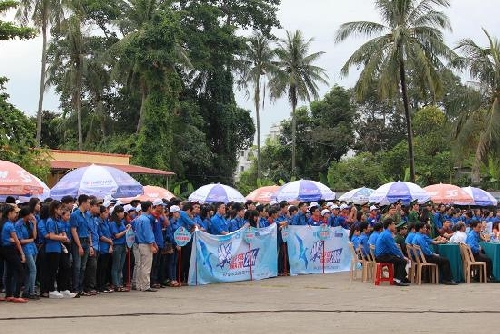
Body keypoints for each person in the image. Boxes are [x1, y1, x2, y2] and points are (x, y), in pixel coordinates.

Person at [45, 201, 73, 298]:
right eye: (60, 209)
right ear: (55, 209)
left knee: (64, 267)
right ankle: (51, 290)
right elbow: (52, 236)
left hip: (59, 248)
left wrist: (63, 236)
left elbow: (62, 232)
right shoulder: (50, 221)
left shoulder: (58, 221)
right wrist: (62, 238)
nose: (61, 211)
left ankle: (63, 288)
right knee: (52, 270)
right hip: (52, 248)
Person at [1, 204, 27, 302]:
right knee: (20, 271)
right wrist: (22, 254)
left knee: (9, 272)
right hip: (10, 250)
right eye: (14, 213)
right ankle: (16, 295)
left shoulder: (3, 223)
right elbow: (17, 241)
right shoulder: (9, 225)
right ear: (9, 213)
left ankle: (9, 294)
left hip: (4, 249)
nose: (16, 215)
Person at [374, 218, 410, 286]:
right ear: (389, 225)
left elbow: (392, 248)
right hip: (382, 256)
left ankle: (396, 279)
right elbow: (394, 248)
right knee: (403, 261)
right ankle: (398, 280)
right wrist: (403, 256)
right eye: (393, 224)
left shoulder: (384, 233)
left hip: (381, 256)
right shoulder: (387, 234)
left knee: (398, 259)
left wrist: (399, 255)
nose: (395, 226)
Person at [70, 194, 92, 297]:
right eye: (88, 202)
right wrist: (79, 246)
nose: (89, 205)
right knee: (77, 266)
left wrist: (91, 245)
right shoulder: (75, 214)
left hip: (86, 241)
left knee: (83, 267)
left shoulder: (88, 215)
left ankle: (81, 287)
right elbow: (73, 230)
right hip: (78, 241)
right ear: (83, 203)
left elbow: (89, 230)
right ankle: (75, 288)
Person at [134, 201, 158, 292]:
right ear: (149, 208)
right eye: (151, 207)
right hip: (146, 244)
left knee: (141, 265)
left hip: (140, 243)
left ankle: (139, 285)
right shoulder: (146, 220)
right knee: (146, 266)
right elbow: (148, 234)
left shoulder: (138, 218)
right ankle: (145, 285)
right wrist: (152, 245)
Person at [15, 208, 38, 299]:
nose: (32, 216)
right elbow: (20, 240)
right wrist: (30, 240)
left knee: (29, 271)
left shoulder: (29, 223)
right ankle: (31, 291)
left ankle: (27, 291)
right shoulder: (18, 224)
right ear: (26, 215)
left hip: (33, 248)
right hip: (26, 249)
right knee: (33, 269)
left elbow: (35, 236)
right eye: (30, 214)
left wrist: (35, 224)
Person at [110, 205, 130, 292]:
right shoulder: (113, 223)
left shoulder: (121, 222)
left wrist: (126, 228)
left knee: (120, 266)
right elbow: (116, 235)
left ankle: (120, 283)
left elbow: (122, 233)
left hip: (122, 245)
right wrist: (126, 231)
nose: (122, 214)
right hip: (117, 245)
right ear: (117, 213)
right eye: (121, 212)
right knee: (116, 266)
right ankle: (116, 284)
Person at [96, 205, 113, 293]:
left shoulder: (106, 221)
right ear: (101, 213)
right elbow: (100, 236)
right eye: (106, 212)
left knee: (105, 267)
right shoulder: (98, 222)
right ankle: (100, 285)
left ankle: (104, 284)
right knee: (101, 268)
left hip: (107, 247)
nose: (107, 214)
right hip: (102, 247)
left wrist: (110, 243)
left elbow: (109, 234)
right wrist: (109, 241)